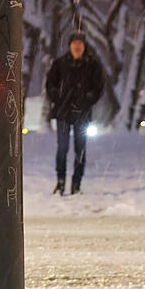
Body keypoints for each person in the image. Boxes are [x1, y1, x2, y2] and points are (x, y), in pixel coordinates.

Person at [45, 31, 105, 195]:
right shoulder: (60, 64)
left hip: (82, 113)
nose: (77, 47)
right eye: (74, 43)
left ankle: (76, 184)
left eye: (80, 44)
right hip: (63, 112)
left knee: (81, 149)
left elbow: (99, 86)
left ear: (84, 46)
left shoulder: (92, 65)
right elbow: (50, 84)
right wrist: (57, 97)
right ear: (70, 45)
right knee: (62, 148)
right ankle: (61, 182)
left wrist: (88, 99)